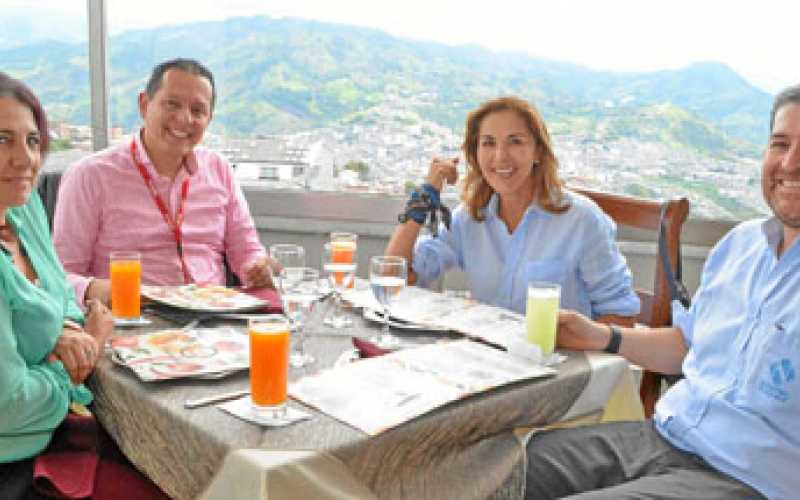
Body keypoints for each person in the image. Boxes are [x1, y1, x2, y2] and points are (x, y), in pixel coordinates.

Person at [524, 85, 800, 500]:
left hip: (746, 479)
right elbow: (689, 345)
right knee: (505, 468)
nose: (790, 164)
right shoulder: (739, 245)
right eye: (781, 143)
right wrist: (604, 336)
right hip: (665, 434)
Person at [0, 73, 164, 499]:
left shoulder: (20, 207)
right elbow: (10, 406)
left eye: (32, 141)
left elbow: (56, 296)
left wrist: (65, 330)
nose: (25, 160)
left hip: (54, 428)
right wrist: (83, 348)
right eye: (2, 140)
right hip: (15, 463)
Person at [385, 96, 639, 320]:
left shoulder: (582, 220)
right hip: (493, 364)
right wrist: (423, 199)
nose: (500, 156)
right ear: (475, 154)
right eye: (488, 143)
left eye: (515, 142)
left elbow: (620, 316)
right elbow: (394, 277)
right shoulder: (469, 218)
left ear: (538, 151)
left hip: (561, 365)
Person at [53, 58, 276, 306]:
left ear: (209, 119)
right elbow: (57, 278)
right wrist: (98, 290)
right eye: (172, 104)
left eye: (197, 111)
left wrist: (259, 269)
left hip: (212, 322)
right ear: (144, 105)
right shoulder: (91, 176)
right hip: (133, 320)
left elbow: (247, 252)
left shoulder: (218, 169)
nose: (184, 119)